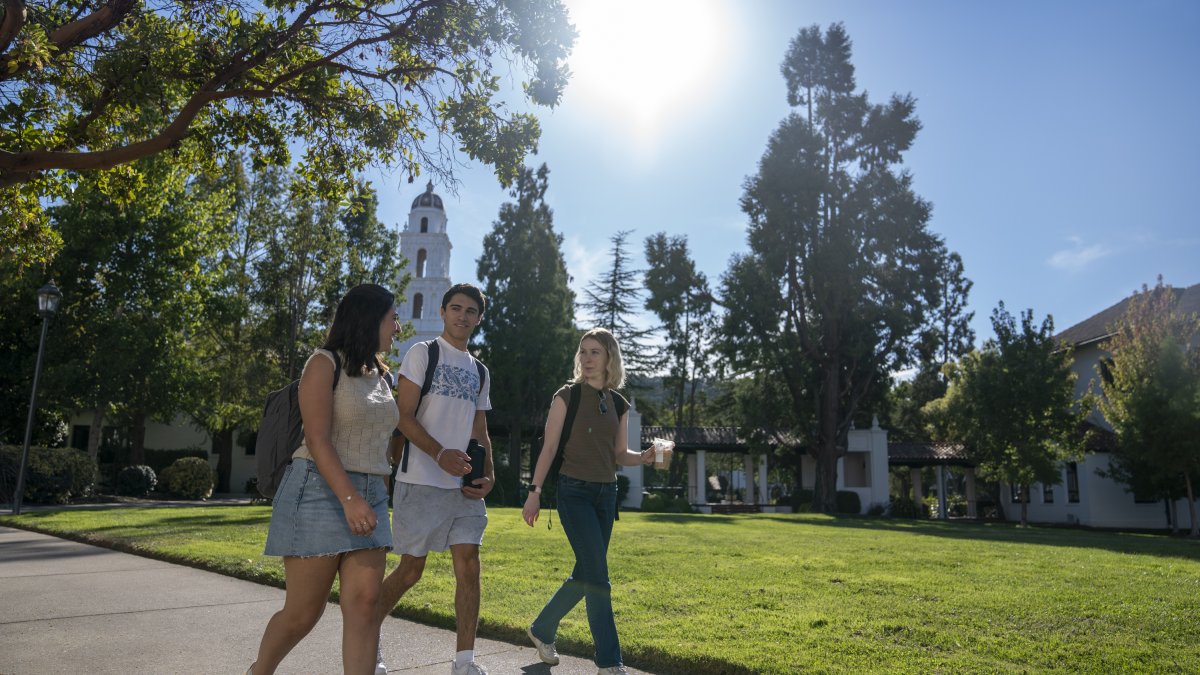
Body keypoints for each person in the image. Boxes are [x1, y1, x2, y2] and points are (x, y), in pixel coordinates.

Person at [249, 283, 401, 675]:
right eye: (392, 318)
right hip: (318, 490)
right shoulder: (323, 363)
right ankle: (259, 671)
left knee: (365, 606)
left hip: (370, 496)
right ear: (369, 319)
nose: (397, 327)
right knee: (303, 613)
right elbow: (317, 439)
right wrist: (350, 500)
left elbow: (381, 443)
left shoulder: (382, 376)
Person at [377, 283, 495, 675]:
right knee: (411, 570)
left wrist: (488, 472)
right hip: (420, 479)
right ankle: (367, 640)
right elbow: (403, 417)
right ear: (443, 312)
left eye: (471, 311)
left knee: (469, 565)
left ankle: (464, 662)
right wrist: (439, 453)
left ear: (478, 319)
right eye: (456, 308)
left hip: (463, 489)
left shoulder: (479, 370)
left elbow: (480, 427)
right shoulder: (421, 354)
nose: (463, 316)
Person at [522, 327, 654, 675]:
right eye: (583, 352)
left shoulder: (618, 403)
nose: (587, 358)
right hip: (574, 493)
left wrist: (645, 457)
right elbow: (549, 448)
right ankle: (610, 662)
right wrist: (534, 493)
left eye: (595, 352)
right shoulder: (566, 396)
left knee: (587, 572)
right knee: (598, 577)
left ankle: (542, 629)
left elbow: (619, 455)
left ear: (610, 357)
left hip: (604, 496)